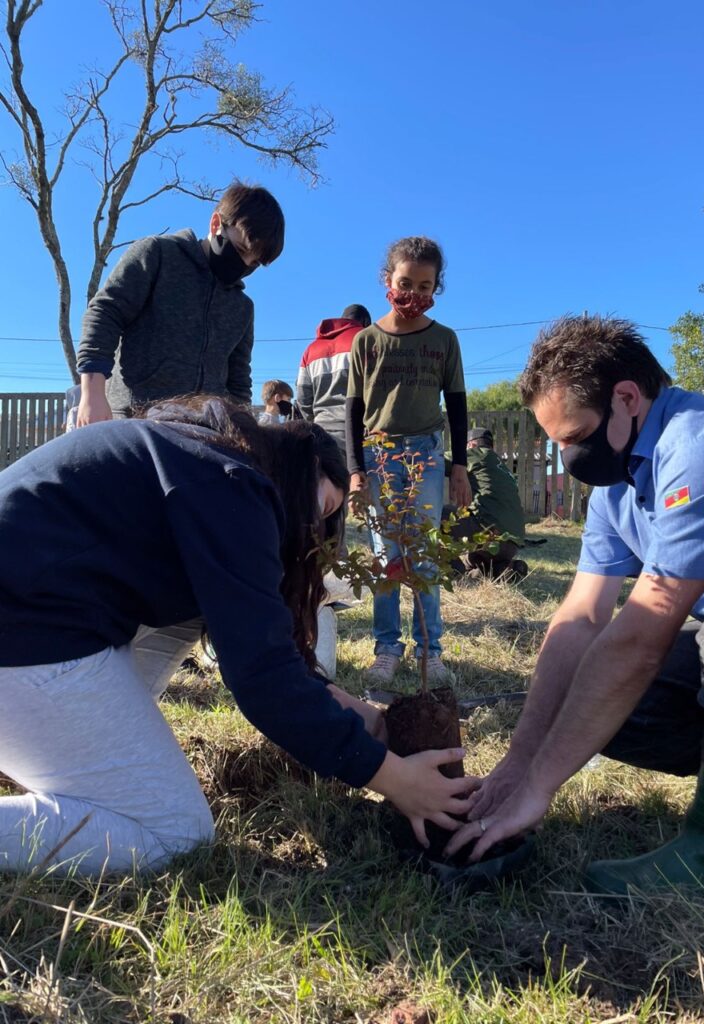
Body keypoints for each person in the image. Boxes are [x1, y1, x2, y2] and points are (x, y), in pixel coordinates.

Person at [0, 397, 474, 877]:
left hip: (35, 610)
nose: (310, 532)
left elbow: (268, 653)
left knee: (186, 620)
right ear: (299, 469)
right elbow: (263, 679)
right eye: (323, 507)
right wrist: (392, 778)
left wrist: (372, 722)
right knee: (173, 831)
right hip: (22, 626)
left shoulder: (192, 460)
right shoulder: (234, 483)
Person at [445, 315, 704, 896]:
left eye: (574, 436)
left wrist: (540, 789)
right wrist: (518, 766)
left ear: (626, 397)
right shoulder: (616, 487)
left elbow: (642, 636)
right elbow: (580, 619)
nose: (565, 455)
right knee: (595, 700)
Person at [346, 237, 472, 684]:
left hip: (426, 454)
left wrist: (458, 466)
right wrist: (356, 471)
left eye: (424, 285)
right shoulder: (366, 341)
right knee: (386, 557)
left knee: (424, 557)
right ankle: (386, 648)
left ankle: (429, 649)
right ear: (388, 280)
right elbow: (353, 412)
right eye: (405, 282)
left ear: (437, 286)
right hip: (378, 456)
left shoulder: (445, 341)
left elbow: (457, 407)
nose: (413, 293)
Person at [76, 182, 285, 424]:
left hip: (202, 432)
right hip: (135, 421)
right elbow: (105, 312)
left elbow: (238, 382)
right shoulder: (157, 255)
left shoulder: (242, 308)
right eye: (240, 249)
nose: (245, 264)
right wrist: (92, 393)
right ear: (216, 224)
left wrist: (241, 426)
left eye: (254, 263)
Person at [445, 427, 530, 581]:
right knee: (474, 559)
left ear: (470, 445)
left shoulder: (475, 454)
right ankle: (504, 570)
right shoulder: (503, 468)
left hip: (487, 532)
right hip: (512, 543)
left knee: (439, 514)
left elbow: (436, 461)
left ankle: (454, 571)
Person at [295, 304, 372, 462]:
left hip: (321, 434)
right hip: (359, 434)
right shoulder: (365, 340)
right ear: (365, 322)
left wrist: (315, 420)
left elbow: (303, 398)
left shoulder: (311, 350)